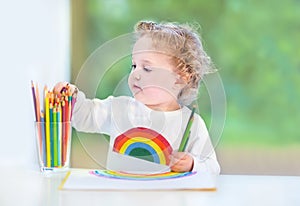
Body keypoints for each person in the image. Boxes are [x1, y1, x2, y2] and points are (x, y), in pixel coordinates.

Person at [55, 20, 220, 174]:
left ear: (180, 78)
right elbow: (85, 116)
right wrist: (72, 99)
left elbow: (212, 169)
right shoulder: (120, 109)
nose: (135, 74)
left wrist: (192, 164)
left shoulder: (192, 124)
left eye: (147, 68)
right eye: (134, 65)